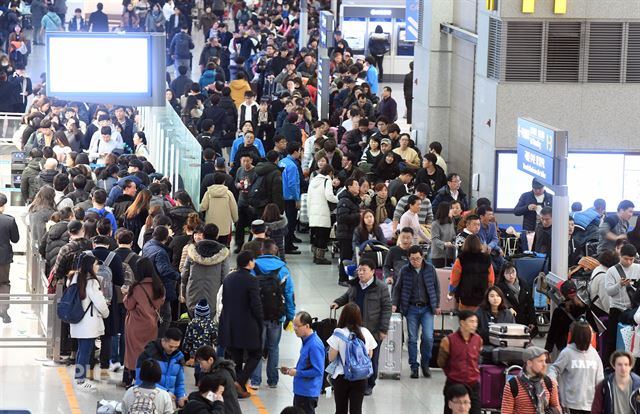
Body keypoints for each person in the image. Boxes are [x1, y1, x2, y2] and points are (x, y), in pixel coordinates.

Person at [331, 258, 391, 395]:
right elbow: (347, 296)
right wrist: (338, 302)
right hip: (354, 329)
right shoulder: (355, 285)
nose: (361, 273)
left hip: (372, 330)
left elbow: (387, 308)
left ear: (372, 272)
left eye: (364, 270)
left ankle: (369, 384)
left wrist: (383, 329)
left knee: (371, 358)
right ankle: (352, 379)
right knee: (351, 354)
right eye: (359, 270)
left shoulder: (380, 287)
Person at [250, 239, 296, 389]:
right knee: (273, 347)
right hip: (277, 315)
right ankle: (273, 381)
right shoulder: (283, 269)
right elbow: (289, 294)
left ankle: (255, 380)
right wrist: (290, 316)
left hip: (257, 315)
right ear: (276, 251)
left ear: (261, 251)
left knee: (257, 347)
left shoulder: (253, 267)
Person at [218, 251, 263, 399]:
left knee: (236, 357)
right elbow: (255, 305)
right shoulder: (252, 280)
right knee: (256, 354)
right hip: (247, 325)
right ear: (249, 263)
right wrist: (260, 321)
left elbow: (224, 301)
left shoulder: (229, 278)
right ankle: (240, 381)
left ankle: (237, 388)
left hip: (229, 323)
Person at [392, 245, 440, 378]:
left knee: (428, 337)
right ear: (408, 258)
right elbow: (397, 288)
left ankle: (425, 363)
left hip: (427, 308)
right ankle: (414, 366)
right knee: (412, 339)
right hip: (411, 308)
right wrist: (394, 304)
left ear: (422, 257)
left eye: (418, 258)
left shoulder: (430, 269)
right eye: (412, 259)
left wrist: (437, 305)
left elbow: (436, 288)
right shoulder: (404, 270)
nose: (415, 261)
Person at [327, 302, 377, 414]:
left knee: (340, 410)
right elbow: (370, 355)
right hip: (360, 377)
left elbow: (331, 357)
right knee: (356, 410)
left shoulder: (338, 333)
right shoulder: (365, 332)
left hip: (341, 376)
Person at [122, 256, 165, 387]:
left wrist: (125, 294)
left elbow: (129, 305)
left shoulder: (137, 287)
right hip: (151, 324)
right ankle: (145, 378)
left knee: (132, 352)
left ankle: (130, 378)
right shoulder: (159, 286)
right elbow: (160, 303)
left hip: (135, 324)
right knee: (147, 351)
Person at [70, 254, 110, 391]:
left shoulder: (75, 278)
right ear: (90, 266)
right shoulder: (92, 282)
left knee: (82, 350)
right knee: (85, 351)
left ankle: (79, 377)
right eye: (95, 264)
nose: (97, 266)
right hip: (89, 323)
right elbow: (100, 303)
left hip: (77, 320)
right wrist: (106, 313)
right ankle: (80, 380)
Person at [547, 320, 604, 414]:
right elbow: (554, 369)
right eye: (589, 335)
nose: (591, 337)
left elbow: (600, 378)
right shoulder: (567, 353)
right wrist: (552, 381)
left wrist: (600, 397)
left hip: (590, 403)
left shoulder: (594, 354)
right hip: (570, 403)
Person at [280, 311, 325, 414]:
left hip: (307, 393)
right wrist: (290, 370)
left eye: (297, 326)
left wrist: (297, 373)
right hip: (301, 390)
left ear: (307, 326)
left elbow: (318, 371)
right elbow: (306, 365)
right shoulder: (305, 341)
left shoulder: (314, 345)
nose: (294, 328)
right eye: (294, 325)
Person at [438, 310, 482, 414]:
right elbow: (441, 362)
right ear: (462, 322)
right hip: (454, 383)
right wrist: (452, 374)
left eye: (476, 322)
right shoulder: (448, 340)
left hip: (473, 383)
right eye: (471, 321)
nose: (474, 325)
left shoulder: (478, 339)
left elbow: (477, 359)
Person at [181, 223, 230, 316]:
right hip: (213, 299)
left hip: (192, 296)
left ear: (203, 235)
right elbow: (225, 278)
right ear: (217, 236)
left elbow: (184, 275)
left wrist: (183, 293)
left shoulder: (192, 251)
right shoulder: (222, 254)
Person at [605, 243, 640, 366]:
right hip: (617, 308)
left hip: (633, 310)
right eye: (626, 259)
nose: (629, 262)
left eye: (632, 259)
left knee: (632, 339)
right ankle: (609, 366)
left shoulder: (638, 268)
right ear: (620, 256)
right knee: (612, 339)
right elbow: (609, 291)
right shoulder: (612, 271)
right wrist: (619, 285)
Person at [142, 226, 181, 337]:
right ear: (166, 237)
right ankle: (159, 339)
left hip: (150, 285)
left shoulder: (147, 245)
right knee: (166, 316)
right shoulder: (160, 252)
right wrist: (178, 276)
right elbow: (164, 270)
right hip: (161, 287)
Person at [135, 328, 187, 408]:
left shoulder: (178, 357)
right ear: (163, 341)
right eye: (171, 346)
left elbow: (179, 383)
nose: (173, 349)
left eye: (176, 347)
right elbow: (140, 380)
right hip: (149, 401)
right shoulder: (148, 354)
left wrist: (181, 397)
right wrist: (165, 393)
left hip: (169, 402)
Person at [501, 347, 560, 414]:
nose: (545, 365)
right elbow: (506, 412)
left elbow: (556, 407)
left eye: (545, 361)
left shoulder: (550, 383)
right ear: (529, 363)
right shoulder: (512, 385)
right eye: (540, 361)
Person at [449, 234, 494, 311]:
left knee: (466, 320)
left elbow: (454, 280)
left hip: (465, 297)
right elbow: (491, 279)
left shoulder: (461, 258)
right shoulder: (486, 258)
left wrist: (451, 292)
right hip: (482, 298)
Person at [194, 345, 242, 414]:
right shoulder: (224, 370)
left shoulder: (216, 376)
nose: (200, 367)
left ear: (210, 360)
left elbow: (212, 397)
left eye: (201, 363)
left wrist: (202, 394)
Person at [307, 164, 339, 264]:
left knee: (316, 235)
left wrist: (309, 213)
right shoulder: (327, 180)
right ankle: (320, 258)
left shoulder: (313, 180)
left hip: (313, 212)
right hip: (323, 211)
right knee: (323, 235)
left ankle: (315, 256)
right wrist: (338, 200)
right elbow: (329, 196)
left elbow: (309, 197)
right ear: (330, 173)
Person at [495, 263, 537, 335]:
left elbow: (530, 303)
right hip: (509, 321)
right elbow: (502, 301)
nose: (511, 275)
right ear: (503, 274)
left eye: (513, 272)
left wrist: (532, 321)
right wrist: (508, 308)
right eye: (507, 273)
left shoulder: (523, 283)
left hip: (524, 319)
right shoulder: (499, 287)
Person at [200, 173, 238, 246]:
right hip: (224, 225)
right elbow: (234, 208)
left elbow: (203, 207)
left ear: (213, 181)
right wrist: (235, 219)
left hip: (211, 225)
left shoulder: (208, 193)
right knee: (223, 244)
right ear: (224, 181)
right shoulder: (228, 193)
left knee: (211, 244)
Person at [336, 178, 361, 286]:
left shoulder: (353, 199)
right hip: (345, 233)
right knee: (345, 256)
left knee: (350, 256)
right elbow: (343, 217)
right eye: (356, 185)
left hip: (351, 232)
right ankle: (342, 278)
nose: (358, 187)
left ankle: (349, 277)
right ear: (349, 187)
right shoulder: (344, 200)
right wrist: (359, 215)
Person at [279, 142, 302, 254]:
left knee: (287, 221)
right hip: (290, 197)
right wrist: (297, 198)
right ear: (295, 152)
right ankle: (288, 246)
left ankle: (289, 244)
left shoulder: (282, 162)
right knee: (291, 222)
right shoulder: (292, 166)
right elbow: (293, 184)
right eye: (300, 150)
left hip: (282, 196)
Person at [0, 193, 19, 323]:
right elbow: (15, 239)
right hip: (4, 258)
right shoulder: (9, 220)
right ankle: (3, 310)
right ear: (3, 205)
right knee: (4, 283)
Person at [431, 202, 457, 268]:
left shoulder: (451, 222)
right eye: (451, 209)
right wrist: (444, 244)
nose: (453, 210)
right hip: (439, 255)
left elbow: (453, 235)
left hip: (450, 254)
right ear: (445, 211)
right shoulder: (435, 224)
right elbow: (434, 239)